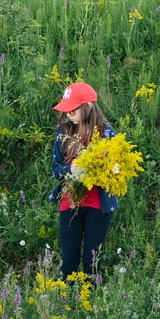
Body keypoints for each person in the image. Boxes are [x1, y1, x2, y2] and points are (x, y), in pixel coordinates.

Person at [50, 82, 117, 278]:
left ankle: (91, 303)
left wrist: (99, 169)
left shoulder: (106, 133)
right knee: (69, 260)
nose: (69, 113)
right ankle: (65, 302)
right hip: (70, 202)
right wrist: (72, 169)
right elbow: (56, 168)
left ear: (87, 107)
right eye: (66, 108)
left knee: (92, 261)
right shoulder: (63, 132)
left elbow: (117, 169)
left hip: (98, 204)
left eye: (73, 108)